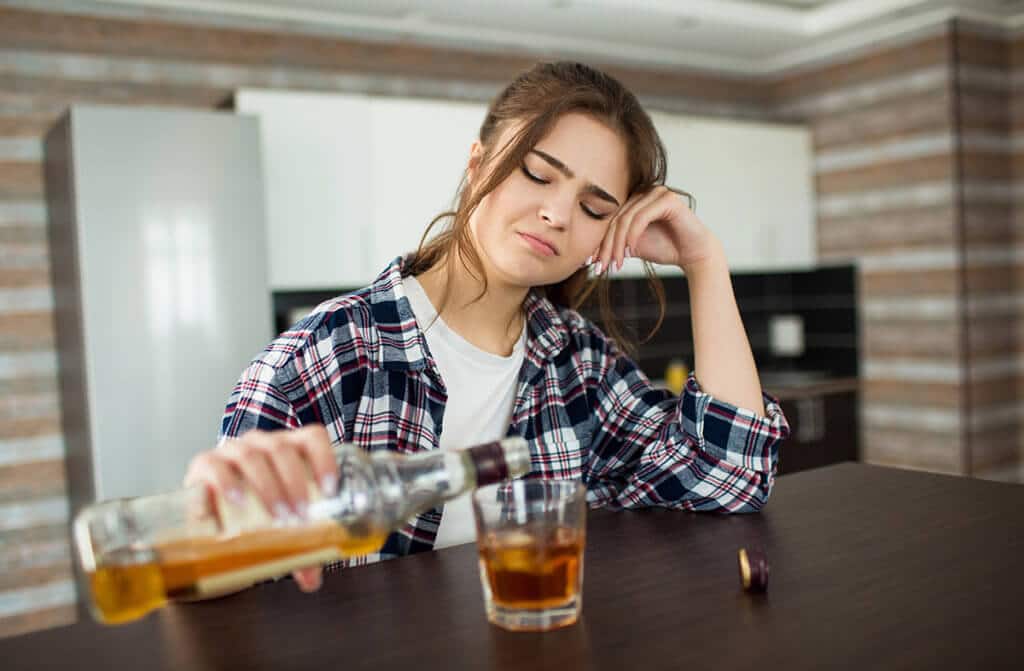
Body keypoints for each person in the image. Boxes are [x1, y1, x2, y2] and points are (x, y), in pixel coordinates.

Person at [184, 61, 791, 594]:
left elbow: (727, 475)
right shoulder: (328, 354)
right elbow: (210, 580)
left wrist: (703, 262)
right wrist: (209, 526)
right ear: (478, 165)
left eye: (593, 208)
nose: (556, 214)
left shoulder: (578, 363)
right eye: (537, 173)